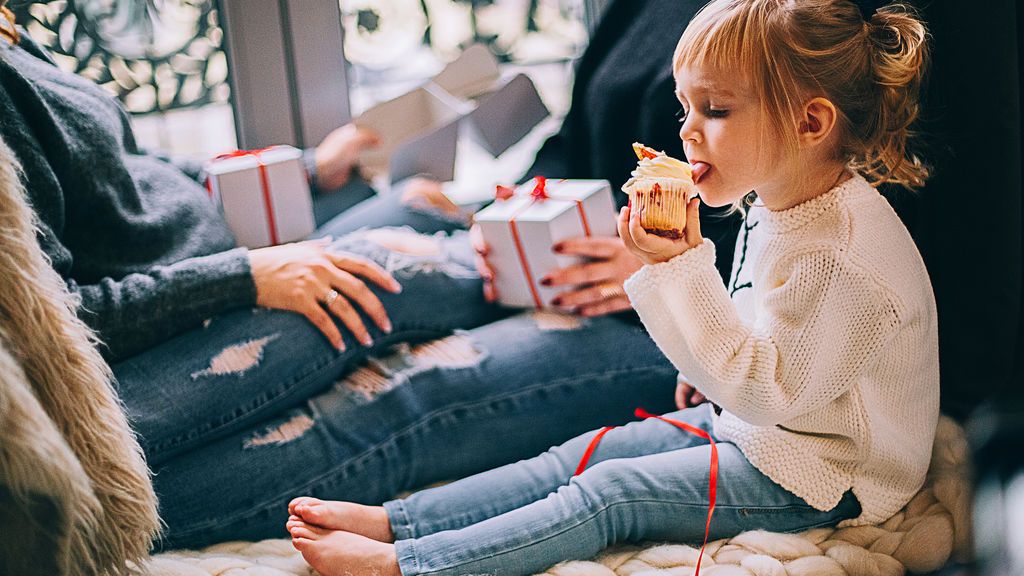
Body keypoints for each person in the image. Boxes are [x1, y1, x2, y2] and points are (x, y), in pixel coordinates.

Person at [2, 0, 729, 550]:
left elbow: (136, 176)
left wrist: (674, 264)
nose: (695, 127)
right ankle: (84, 498)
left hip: (687, 306)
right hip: (570, 265)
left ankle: (84, 507)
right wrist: (511, 210)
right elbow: (569, 145)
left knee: (402, 318)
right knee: (381, 272)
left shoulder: (810, 31)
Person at [282, 1, 940, 575]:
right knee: (577, 456)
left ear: (810, 123)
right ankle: (401, 522)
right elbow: (758, 322)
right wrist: (710, 374)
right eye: (686, 105)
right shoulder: (779, 197)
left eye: (715, 109)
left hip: (824, 473)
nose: (686, 131)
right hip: (770, 426)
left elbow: (767, 392)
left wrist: (676, 266)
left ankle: (412, 564)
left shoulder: (842, 258)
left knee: (613, 493)